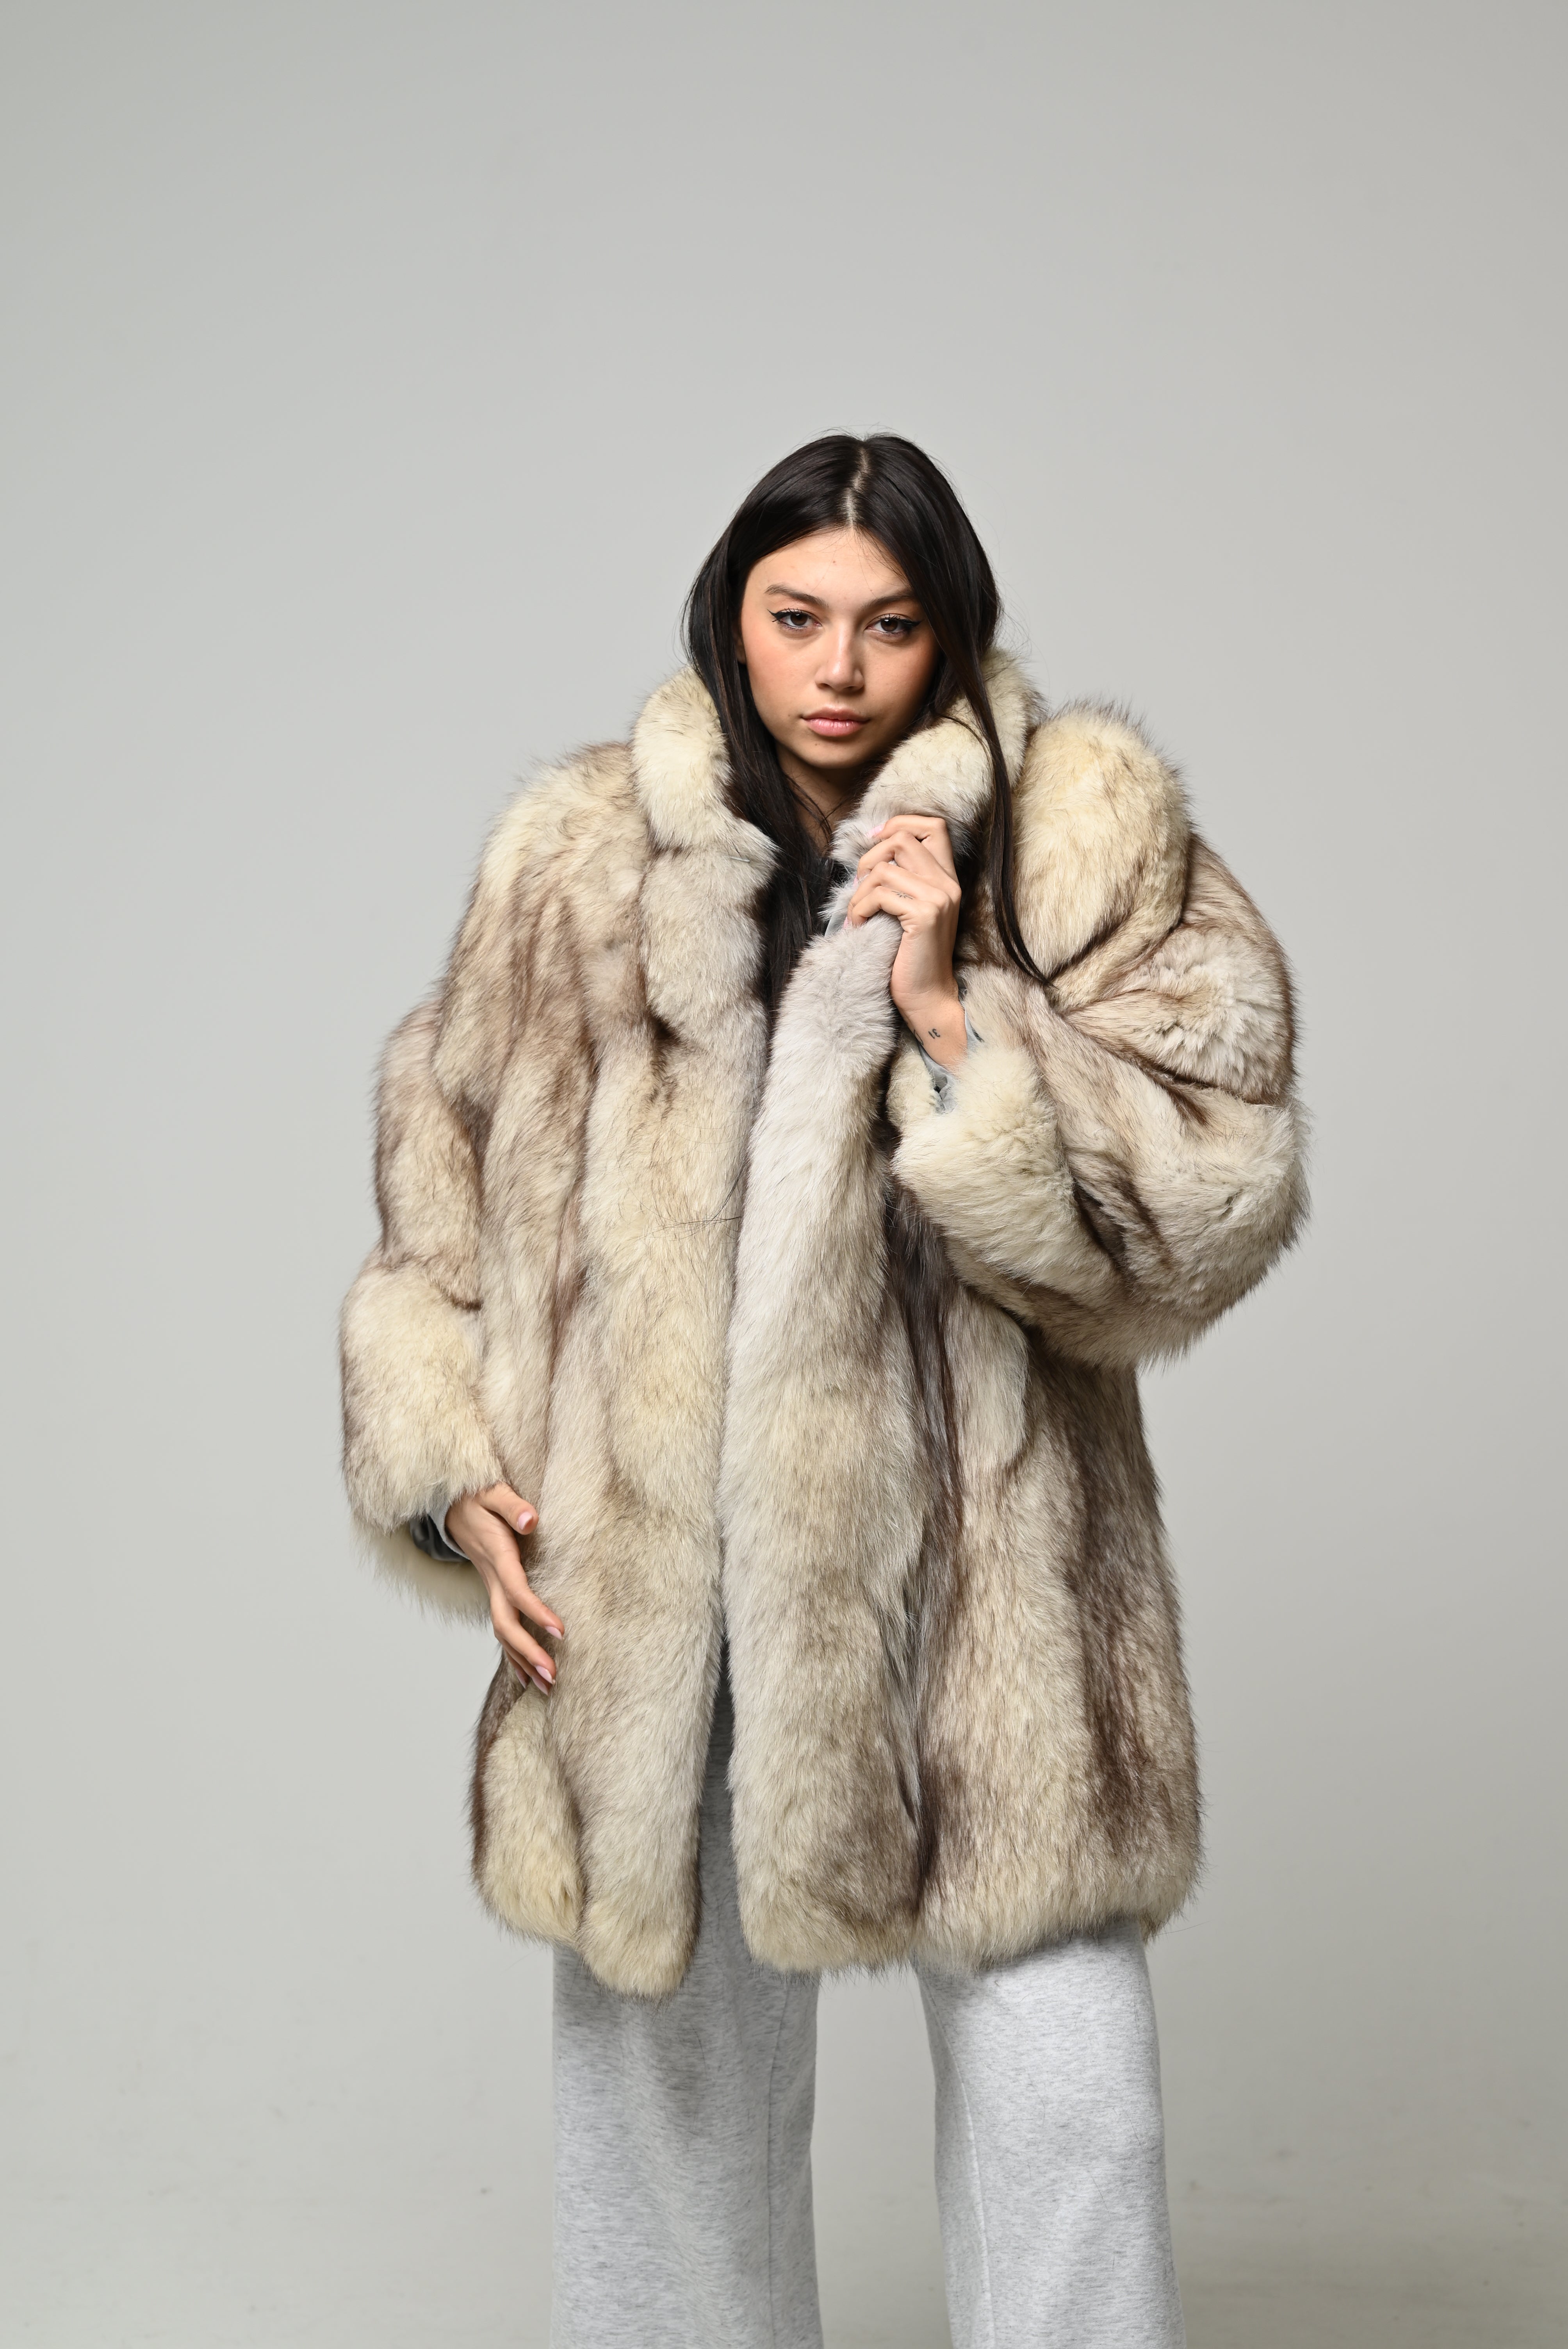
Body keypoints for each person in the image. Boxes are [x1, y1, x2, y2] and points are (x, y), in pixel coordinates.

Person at [340, 433, 1305, 2347]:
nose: (838, 670)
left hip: (985, 1599)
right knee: (669, 2125)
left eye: (887, 623)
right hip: (662, 1588)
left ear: (950, 630)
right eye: (795, 619)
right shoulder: (578, 860)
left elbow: (1208, 1198)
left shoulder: (1081, 834)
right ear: (733, 613)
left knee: (1069, 2108)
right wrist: (451, 1475)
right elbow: (435, 1213)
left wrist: (953, 1010)